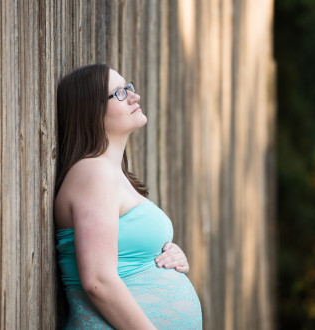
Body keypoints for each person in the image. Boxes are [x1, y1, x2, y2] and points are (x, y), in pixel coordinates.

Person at [54, 64, 202, 329]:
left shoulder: (112, 174)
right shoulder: (93, 174)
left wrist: (167, 254)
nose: (135, 96)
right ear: (91, 110)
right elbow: (98, 281)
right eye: (120, 93)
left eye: (128, 87)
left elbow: (126, 253)